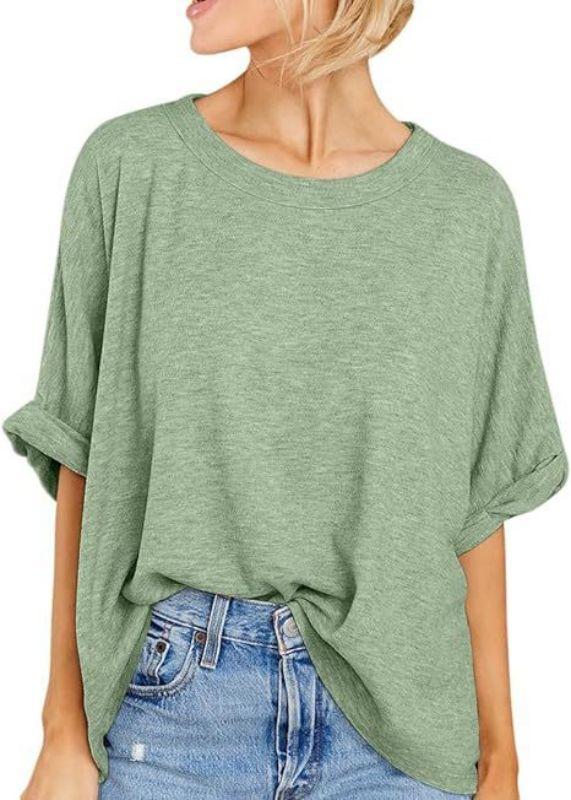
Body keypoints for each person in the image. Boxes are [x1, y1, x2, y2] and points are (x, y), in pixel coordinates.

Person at [4, 1, 567, 798]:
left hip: (402, 732)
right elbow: (82, 456)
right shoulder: (133, 166)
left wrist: (503, 762)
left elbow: (477, 505)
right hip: (172, 716)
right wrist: (62, 730)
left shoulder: (464, 208)